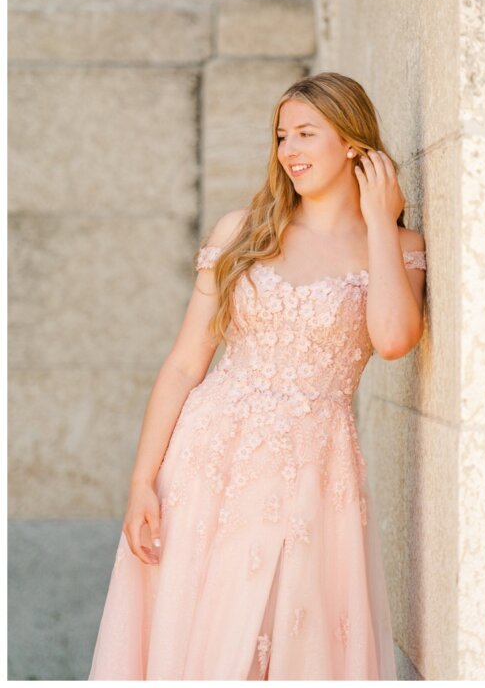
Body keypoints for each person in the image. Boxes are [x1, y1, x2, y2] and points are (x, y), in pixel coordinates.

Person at [89, 73, 426, 679]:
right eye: (280, 136)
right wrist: (142, 481)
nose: (288, 151)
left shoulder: (399, 247)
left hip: (313, 468)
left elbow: (395, 340)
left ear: (352, 142)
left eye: (305, 134)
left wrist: (381, 222)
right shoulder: (242, 231)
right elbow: (186, 364)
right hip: (209, 458)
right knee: (199, 632)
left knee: (285, 638)